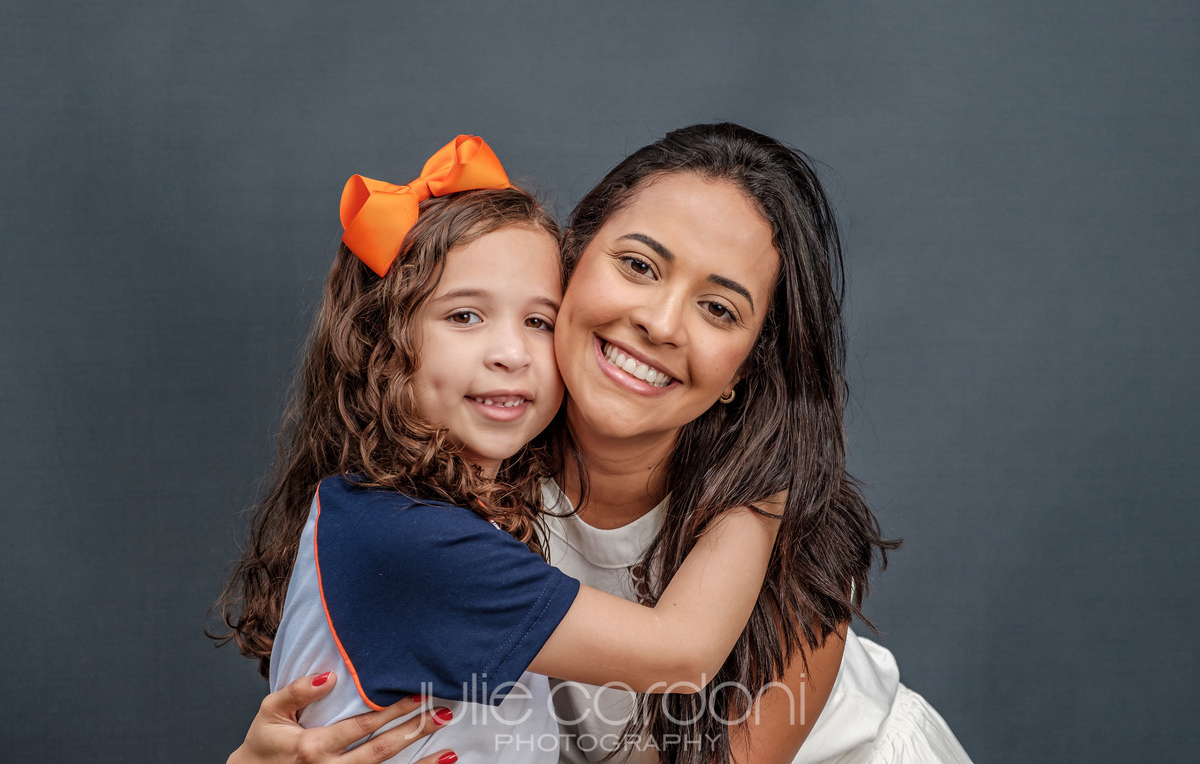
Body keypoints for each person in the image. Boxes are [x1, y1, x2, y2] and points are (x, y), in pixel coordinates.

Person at [225, 124, 972, 764]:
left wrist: (778, 470)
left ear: (746, 370)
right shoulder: (457, 474)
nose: (661, 323)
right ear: (572, 265)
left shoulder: (775, 535)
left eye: (718, 308)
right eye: (638, 265)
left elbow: (684, 658)